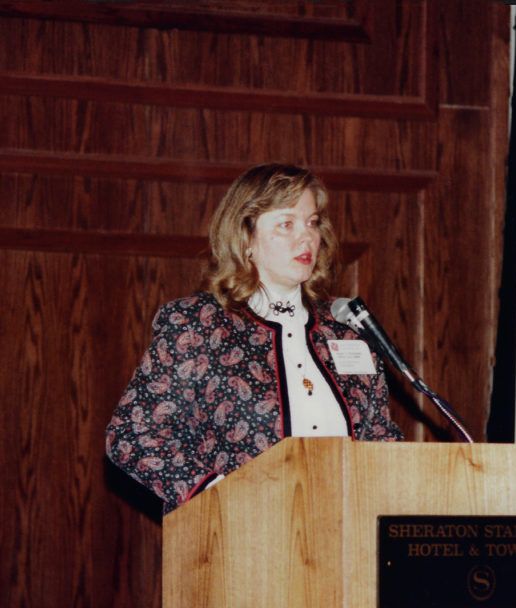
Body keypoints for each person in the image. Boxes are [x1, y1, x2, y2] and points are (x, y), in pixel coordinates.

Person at [105, 163, 403, 513]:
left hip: (345, 530)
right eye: (286, 224)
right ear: (246, 238)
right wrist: (220, 497)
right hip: (239, 534)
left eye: (312, 222)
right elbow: (132, 435)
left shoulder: (347, 330)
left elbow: (381, 441)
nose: (306, 237)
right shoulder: (199, 325)